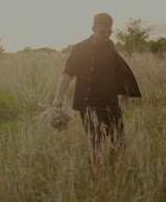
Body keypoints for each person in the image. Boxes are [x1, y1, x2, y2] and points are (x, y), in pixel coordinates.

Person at [52, 13, 141, 163]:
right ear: (93, 28)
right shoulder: (80, 49)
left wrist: (123, 90)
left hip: (111, 102)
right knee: (96, 144)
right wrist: (58, 97)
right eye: (102, 31)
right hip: (89, 105)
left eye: (109, 32)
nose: (106, 35)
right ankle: (97, 179)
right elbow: (68, 73)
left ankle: (114, 175)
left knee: (119, 142)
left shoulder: (110, 45)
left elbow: (116, 68)